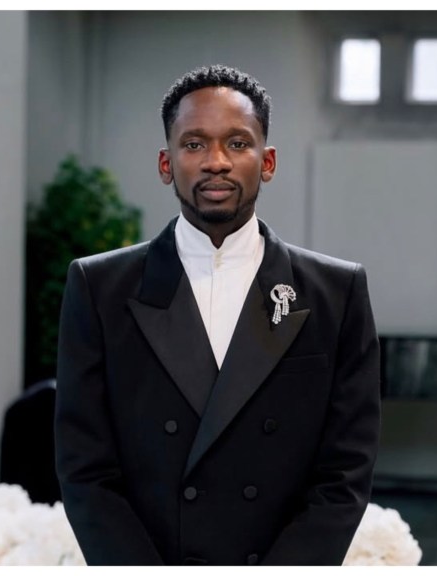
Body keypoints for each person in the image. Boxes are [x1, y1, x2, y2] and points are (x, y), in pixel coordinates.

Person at [54, 65, 381, 565]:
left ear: (266, 161)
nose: (216, 162)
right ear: (166, 164)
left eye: (237, 143)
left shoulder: (337, 292)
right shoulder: (98, 287)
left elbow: (346, 472)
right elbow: (85, 470)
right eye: (193, 145)